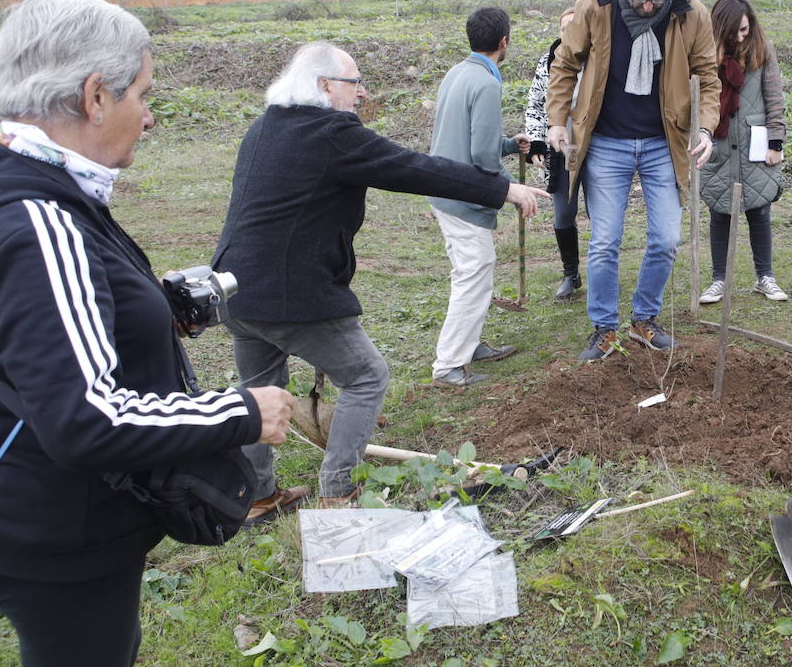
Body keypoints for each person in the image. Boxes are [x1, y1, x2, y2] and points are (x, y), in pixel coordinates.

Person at [0, 0, 295, 667]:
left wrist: (148, 310)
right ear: (95, 96)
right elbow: (87, 419)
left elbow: (29, 334)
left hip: (21, 515)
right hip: (59, 535)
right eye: (142, 92)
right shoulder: (40, 225)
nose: (151, 113)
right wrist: (243, 411)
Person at [213, 41, 544, 518]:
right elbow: (415, 168)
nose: (362, 93)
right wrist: (501, 187)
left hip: (235, 290)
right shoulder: (331, 133)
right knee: (367, 376)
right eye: (354, 83)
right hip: (289, 294)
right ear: (324, 86)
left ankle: (258, 496)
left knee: (259, 391)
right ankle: (338, 491)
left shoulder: (265, 126)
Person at [546, 0, 719, 361]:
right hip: (605, 144)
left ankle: (644, 321)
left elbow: (708, 76)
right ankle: (605, 329)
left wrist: (706, 128)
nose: (647, 7)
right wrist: (556, 120)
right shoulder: (595, 9)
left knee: (666, 237)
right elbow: (564, 64)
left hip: (666, 143)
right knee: (605, 241)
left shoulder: (691, 13)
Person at [428, 7, 531, 386]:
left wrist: (506, 143)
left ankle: (468, 346)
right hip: (461, 197)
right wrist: (511, 190)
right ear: (504, 41)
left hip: (444, 187)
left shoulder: (458, 72)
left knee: (473, 270)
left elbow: (466, 138)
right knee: (473, 275)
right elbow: (482, 157)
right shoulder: (487, 84)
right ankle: (448, 365)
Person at [696, 0, 789, 303]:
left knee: (759, 211)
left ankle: (766, 277)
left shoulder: (762, 50)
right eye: (734, 31)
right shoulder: (704, 54)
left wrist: (776, 141)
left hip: (755, 144)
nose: (740, 36)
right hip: (717, 143)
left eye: (745, 29)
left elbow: (774, 96)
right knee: (719, 211)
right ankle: (719, 280)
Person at [525, 8, 586, 300]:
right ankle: (570, 273)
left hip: (596, 147)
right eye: (563, 28)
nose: (568, 33)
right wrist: (537, 142)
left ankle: (603, 270)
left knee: (602, 215)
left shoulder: (599, 61)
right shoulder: (548, 61)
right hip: (564, 149)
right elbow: (536, 104)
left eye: (573, 27)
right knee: (564, 214)